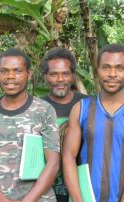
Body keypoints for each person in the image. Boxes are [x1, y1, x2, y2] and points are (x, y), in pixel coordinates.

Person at [0, 48, 60, 201]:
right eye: (4, 71)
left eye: (17, 71)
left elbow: (53, 163)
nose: (10, 76)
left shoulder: (44, 110)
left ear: (28, 74)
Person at [63, 44, 124, 202]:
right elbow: (68, 157)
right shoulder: (81, 109)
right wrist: (79, 200)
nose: (112, 74)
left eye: (119, 68)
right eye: (106, 67)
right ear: (96, 70)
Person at [41, 47, 87, 202]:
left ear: (73, 76)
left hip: (82, 190)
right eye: (54, 74)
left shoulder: (87, 105)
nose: (60, 79)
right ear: (45, 76)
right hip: (46, 192)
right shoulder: (36, 107)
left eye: (65, 73)